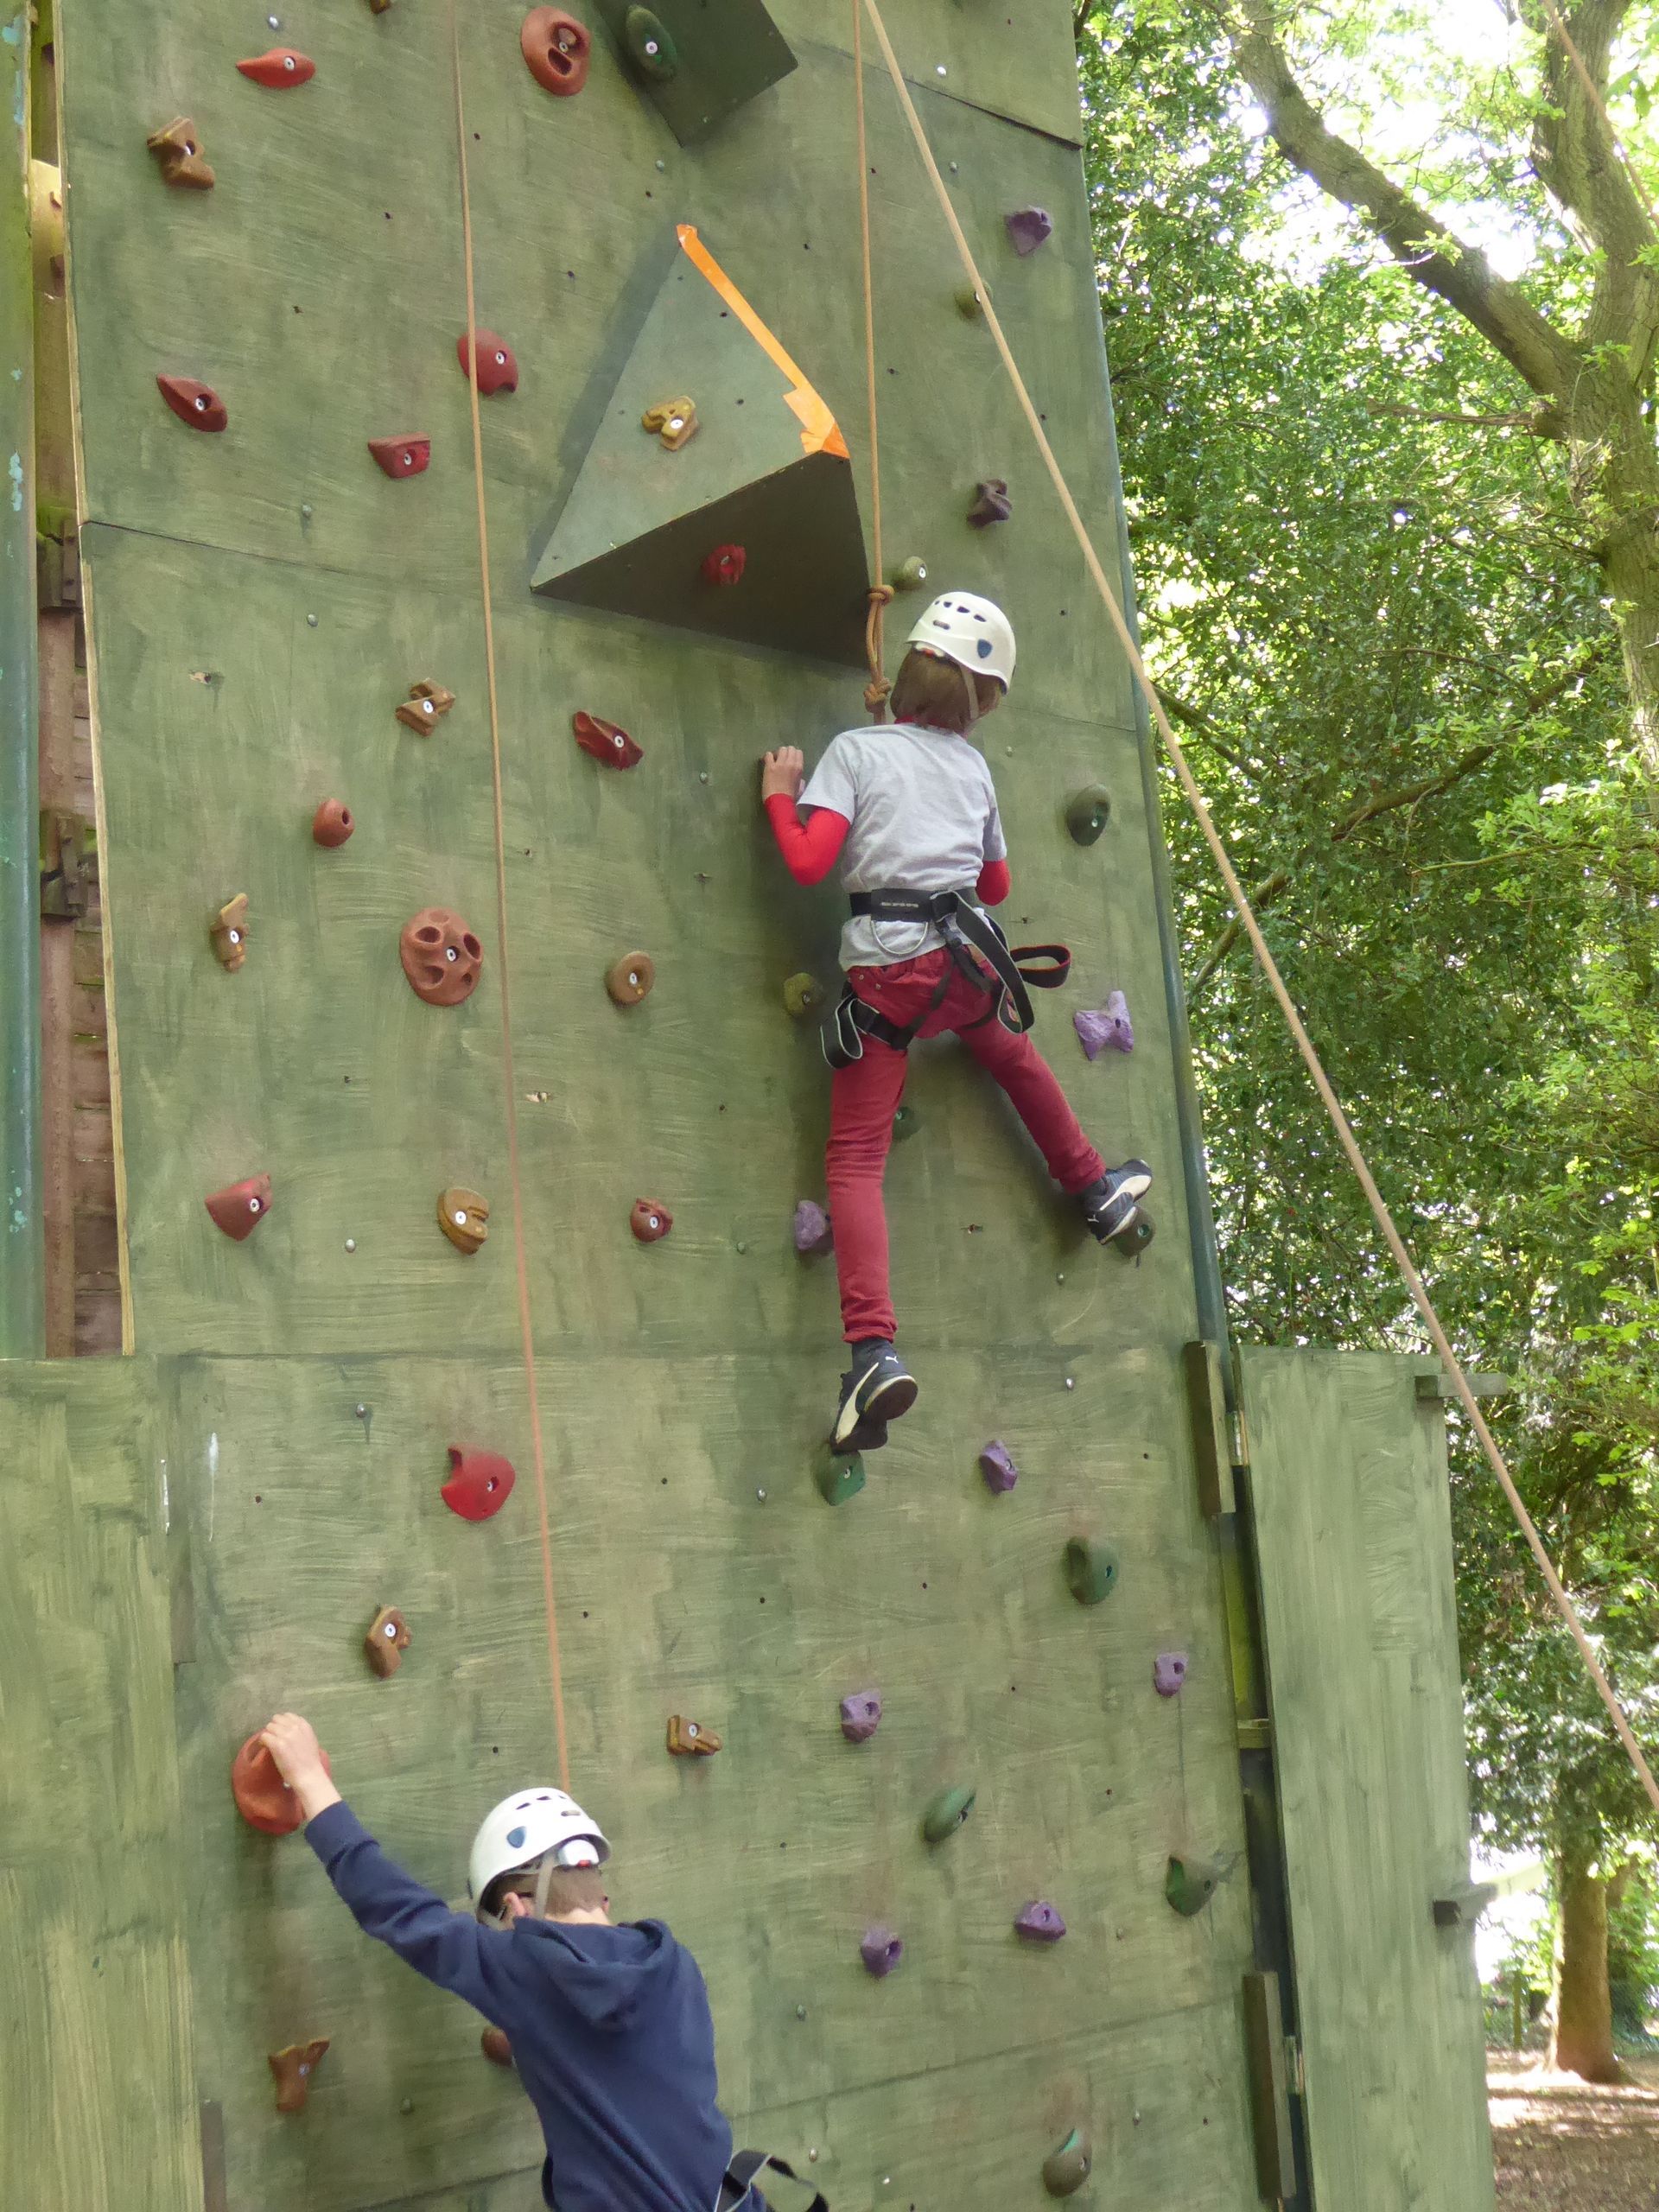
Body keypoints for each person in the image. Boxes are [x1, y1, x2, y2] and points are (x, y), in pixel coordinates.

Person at [760, 590, 1152, 1455]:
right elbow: (999, 887)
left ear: (902, 676)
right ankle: (1094, 1190)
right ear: (979, 702)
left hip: (889, 974)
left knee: (856, 1159)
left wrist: (781, 793)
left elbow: (806, 859)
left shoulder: (855, 751)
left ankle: (873, 1351)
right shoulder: (973, 770)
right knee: (1010, 1053)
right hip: (966, 964)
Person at [257, 1713, 768, 2212]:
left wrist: (309, 1780)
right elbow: (628, 2065)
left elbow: (398, 1910)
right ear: (601, 1895)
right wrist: (531, 2042)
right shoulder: (676, 1966)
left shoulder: (529, 1967)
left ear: (516, 1909)